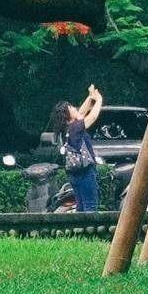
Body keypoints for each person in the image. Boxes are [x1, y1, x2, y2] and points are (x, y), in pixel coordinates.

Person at [58, 84, 106, 217]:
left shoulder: (66, 130)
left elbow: (81, 113)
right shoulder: (76, 128)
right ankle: (89, 233)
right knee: (90, 205)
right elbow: (92, 117)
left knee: (80, 206)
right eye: (71, 108)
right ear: (68, 115)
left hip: (74, 174)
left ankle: (79, 233)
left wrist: (90, 97)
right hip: (85, 172)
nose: (75, 108)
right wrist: (99, 99)